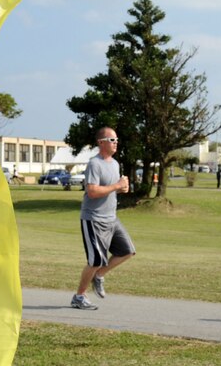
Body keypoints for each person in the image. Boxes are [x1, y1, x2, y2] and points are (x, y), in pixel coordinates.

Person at [71, 127, 135, 310]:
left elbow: (114, 188)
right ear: (101, 142)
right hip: (94, 219)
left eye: (116, 139)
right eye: (112, 140)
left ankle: (98, 276)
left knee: (127, 251)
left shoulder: (114, 164)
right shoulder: (94, 164)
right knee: (96, 260)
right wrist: (117, 186)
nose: (116, 143)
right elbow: (92, 191)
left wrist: (123, 188)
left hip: (111, 218)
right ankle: (79, 297)